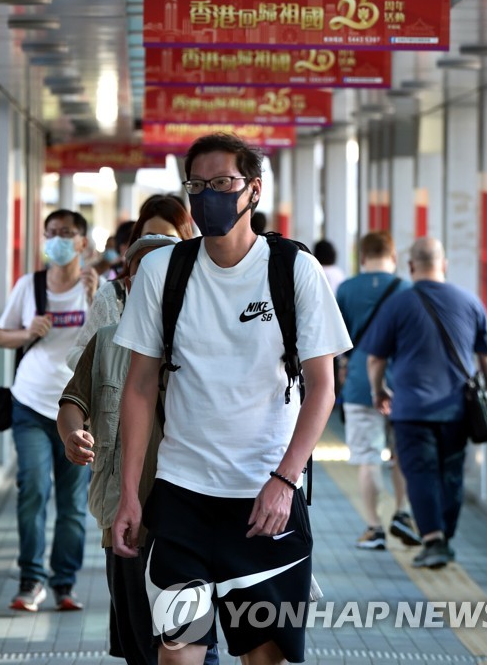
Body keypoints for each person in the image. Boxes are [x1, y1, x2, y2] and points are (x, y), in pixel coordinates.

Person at [111, 132, 351, 665]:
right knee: (177, 655)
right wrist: (130, 492)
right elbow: (140, 386)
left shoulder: (293, 270)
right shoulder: (161, 271)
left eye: (222, 183)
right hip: (181, 500)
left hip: (265, 505)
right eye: (197, 185)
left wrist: (285, 480)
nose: (207, 196)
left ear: (254, 191)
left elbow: (322, 386)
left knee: (265, 658)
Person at [58, 233, 219, 665]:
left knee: (191, 645)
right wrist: (73, 434)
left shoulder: (208, 343)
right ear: (126, 283)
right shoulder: (108, 342)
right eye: (139, 273)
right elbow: (72, 404)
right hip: (124, 521)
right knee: (139, 649)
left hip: (188, 521)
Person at [364, 236, 487, 569]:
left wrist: (378, 391)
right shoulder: (470, 302)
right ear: (445, 265)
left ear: (411, 267)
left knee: (420, 473)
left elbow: (375, 359)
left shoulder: (398, 304)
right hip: (456, 409)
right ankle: (443, 537)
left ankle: (434, 539)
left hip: (411, 410)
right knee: (450, 473)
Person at [0, 209, 99, 612]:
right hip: (31, 403)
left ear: (82, 242)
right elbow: (2, 334)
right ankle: (31, 580)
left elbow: (109, 342)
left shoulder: (97, 288)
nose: (57, 239)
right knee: (34, 489)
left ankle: (64, 583)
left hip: (78, 410)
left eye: (66, 233)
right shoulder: (29, 285)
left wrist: (93, 300)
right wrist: (27, 332)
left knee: (72, 502)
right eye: (51, 232)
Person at [335, 231, 419, 551]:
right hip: (403, 386)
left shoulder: (346, 289)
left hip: (359, 385)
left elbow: (336, 341)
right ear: (394, 257)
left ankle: (374, 528)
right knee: (402, 456)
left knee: (368, 459)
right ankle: (403, 513)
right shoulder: (408, 291)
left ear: (363, 257)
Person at [66, 196, 194, 370]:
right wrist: (113, 367)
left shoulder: (198, 293)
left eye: (168, 241)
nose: (157, 251)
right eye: (150, 239)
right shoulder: (114, 295)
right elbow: (77, 353)